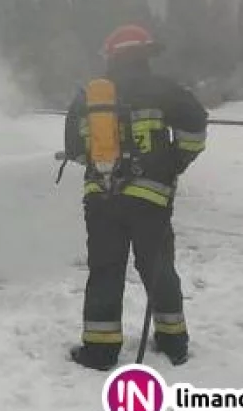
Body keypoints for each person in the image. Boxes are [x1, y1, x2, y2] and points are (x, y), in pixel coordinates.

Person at [63, 24, 208, 371]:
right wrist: (174, 162)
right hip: (151, 199)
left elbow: (73, 147)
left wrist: (104, 170)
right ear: (146, 54)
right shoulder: (166, 90)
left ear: (111, 56)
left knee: (105, 270)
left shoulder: (88, 95)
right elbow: (195, 128)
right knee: (158, 268)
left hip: (101, 197)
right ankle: (174, 343)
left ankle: (99, 351)